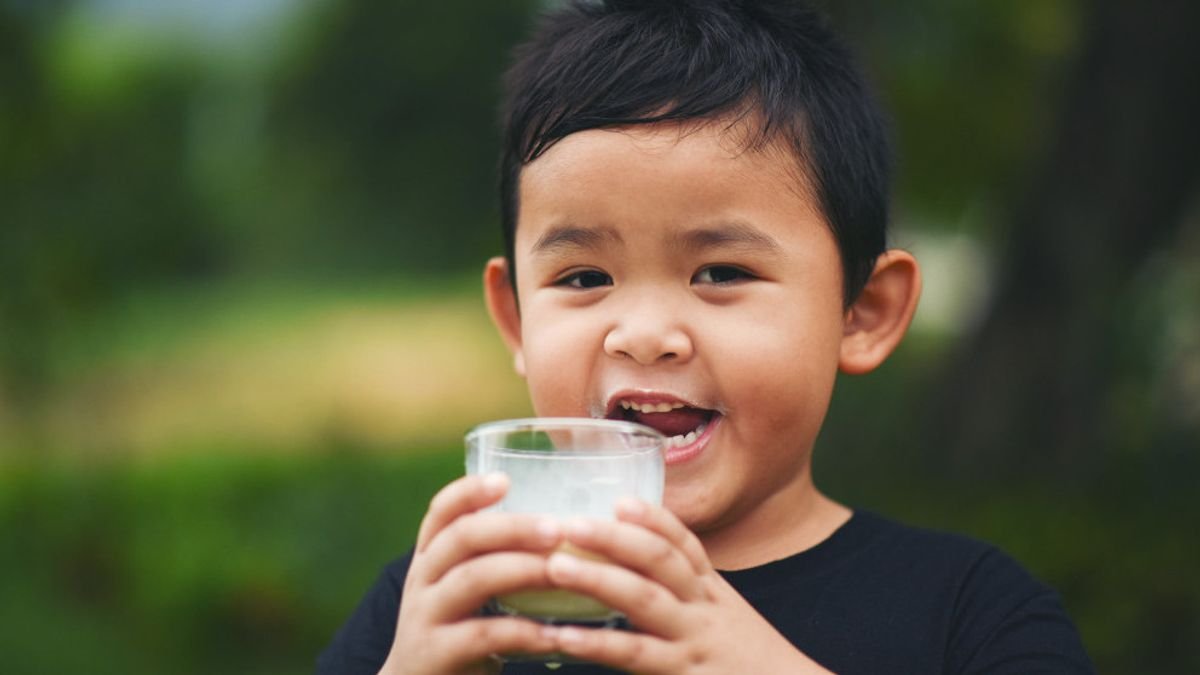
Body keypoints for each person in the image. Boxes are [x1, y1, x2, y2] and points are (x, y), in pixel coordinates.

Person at [318, 1, 1094, 672]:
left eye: (721, 272)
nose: (646, 335)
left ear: (862, 313)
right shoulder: (432, 609)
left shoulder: (970, 611)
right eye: (585, 278)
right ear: (517, 318)